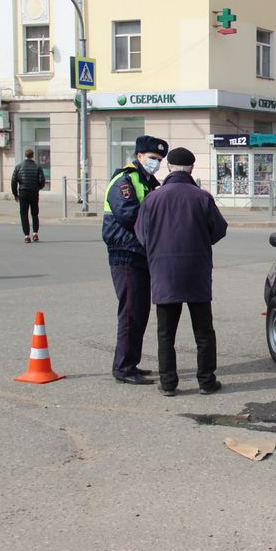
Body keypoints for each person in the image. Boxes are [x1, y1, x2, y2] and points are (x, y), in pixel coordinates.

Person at [135, 147, 228, 396]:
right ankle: (206, 382)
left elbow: (142, 235)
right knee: (204, 332)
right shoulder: (202, 197)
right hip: (196, 272)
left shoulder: (152, 199)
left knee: (166, 333)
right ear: (192, 168)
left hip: (164, 274)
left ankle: (168, 384)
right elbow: (218, 230)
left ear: (168, 168)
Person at [103, 135, 167, 385]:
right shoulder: (125, 180)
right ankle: (124, 367)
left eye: (159, 159)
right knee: (130, 312)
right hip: (125, 252)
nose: (156, 163)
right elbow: (129, 215)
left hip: (140, 252)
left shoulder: (147, 181)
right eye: (152, 158)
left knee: (139, 312)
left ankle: (131, 362)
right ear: (139, 156)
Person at [11, 149, 46, 243]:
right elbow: (42, 181)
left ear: (25, 155)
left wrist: (15, 194)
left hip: (23, 192)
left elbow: (13, 181)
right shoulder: (38, 167)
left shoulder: (18, 167)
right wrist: (38, 188)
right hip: (34, 193)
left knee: (24, 214)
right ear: (32, 155)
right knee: (35, 213)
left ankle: (26, 236)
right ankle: (35, 234)